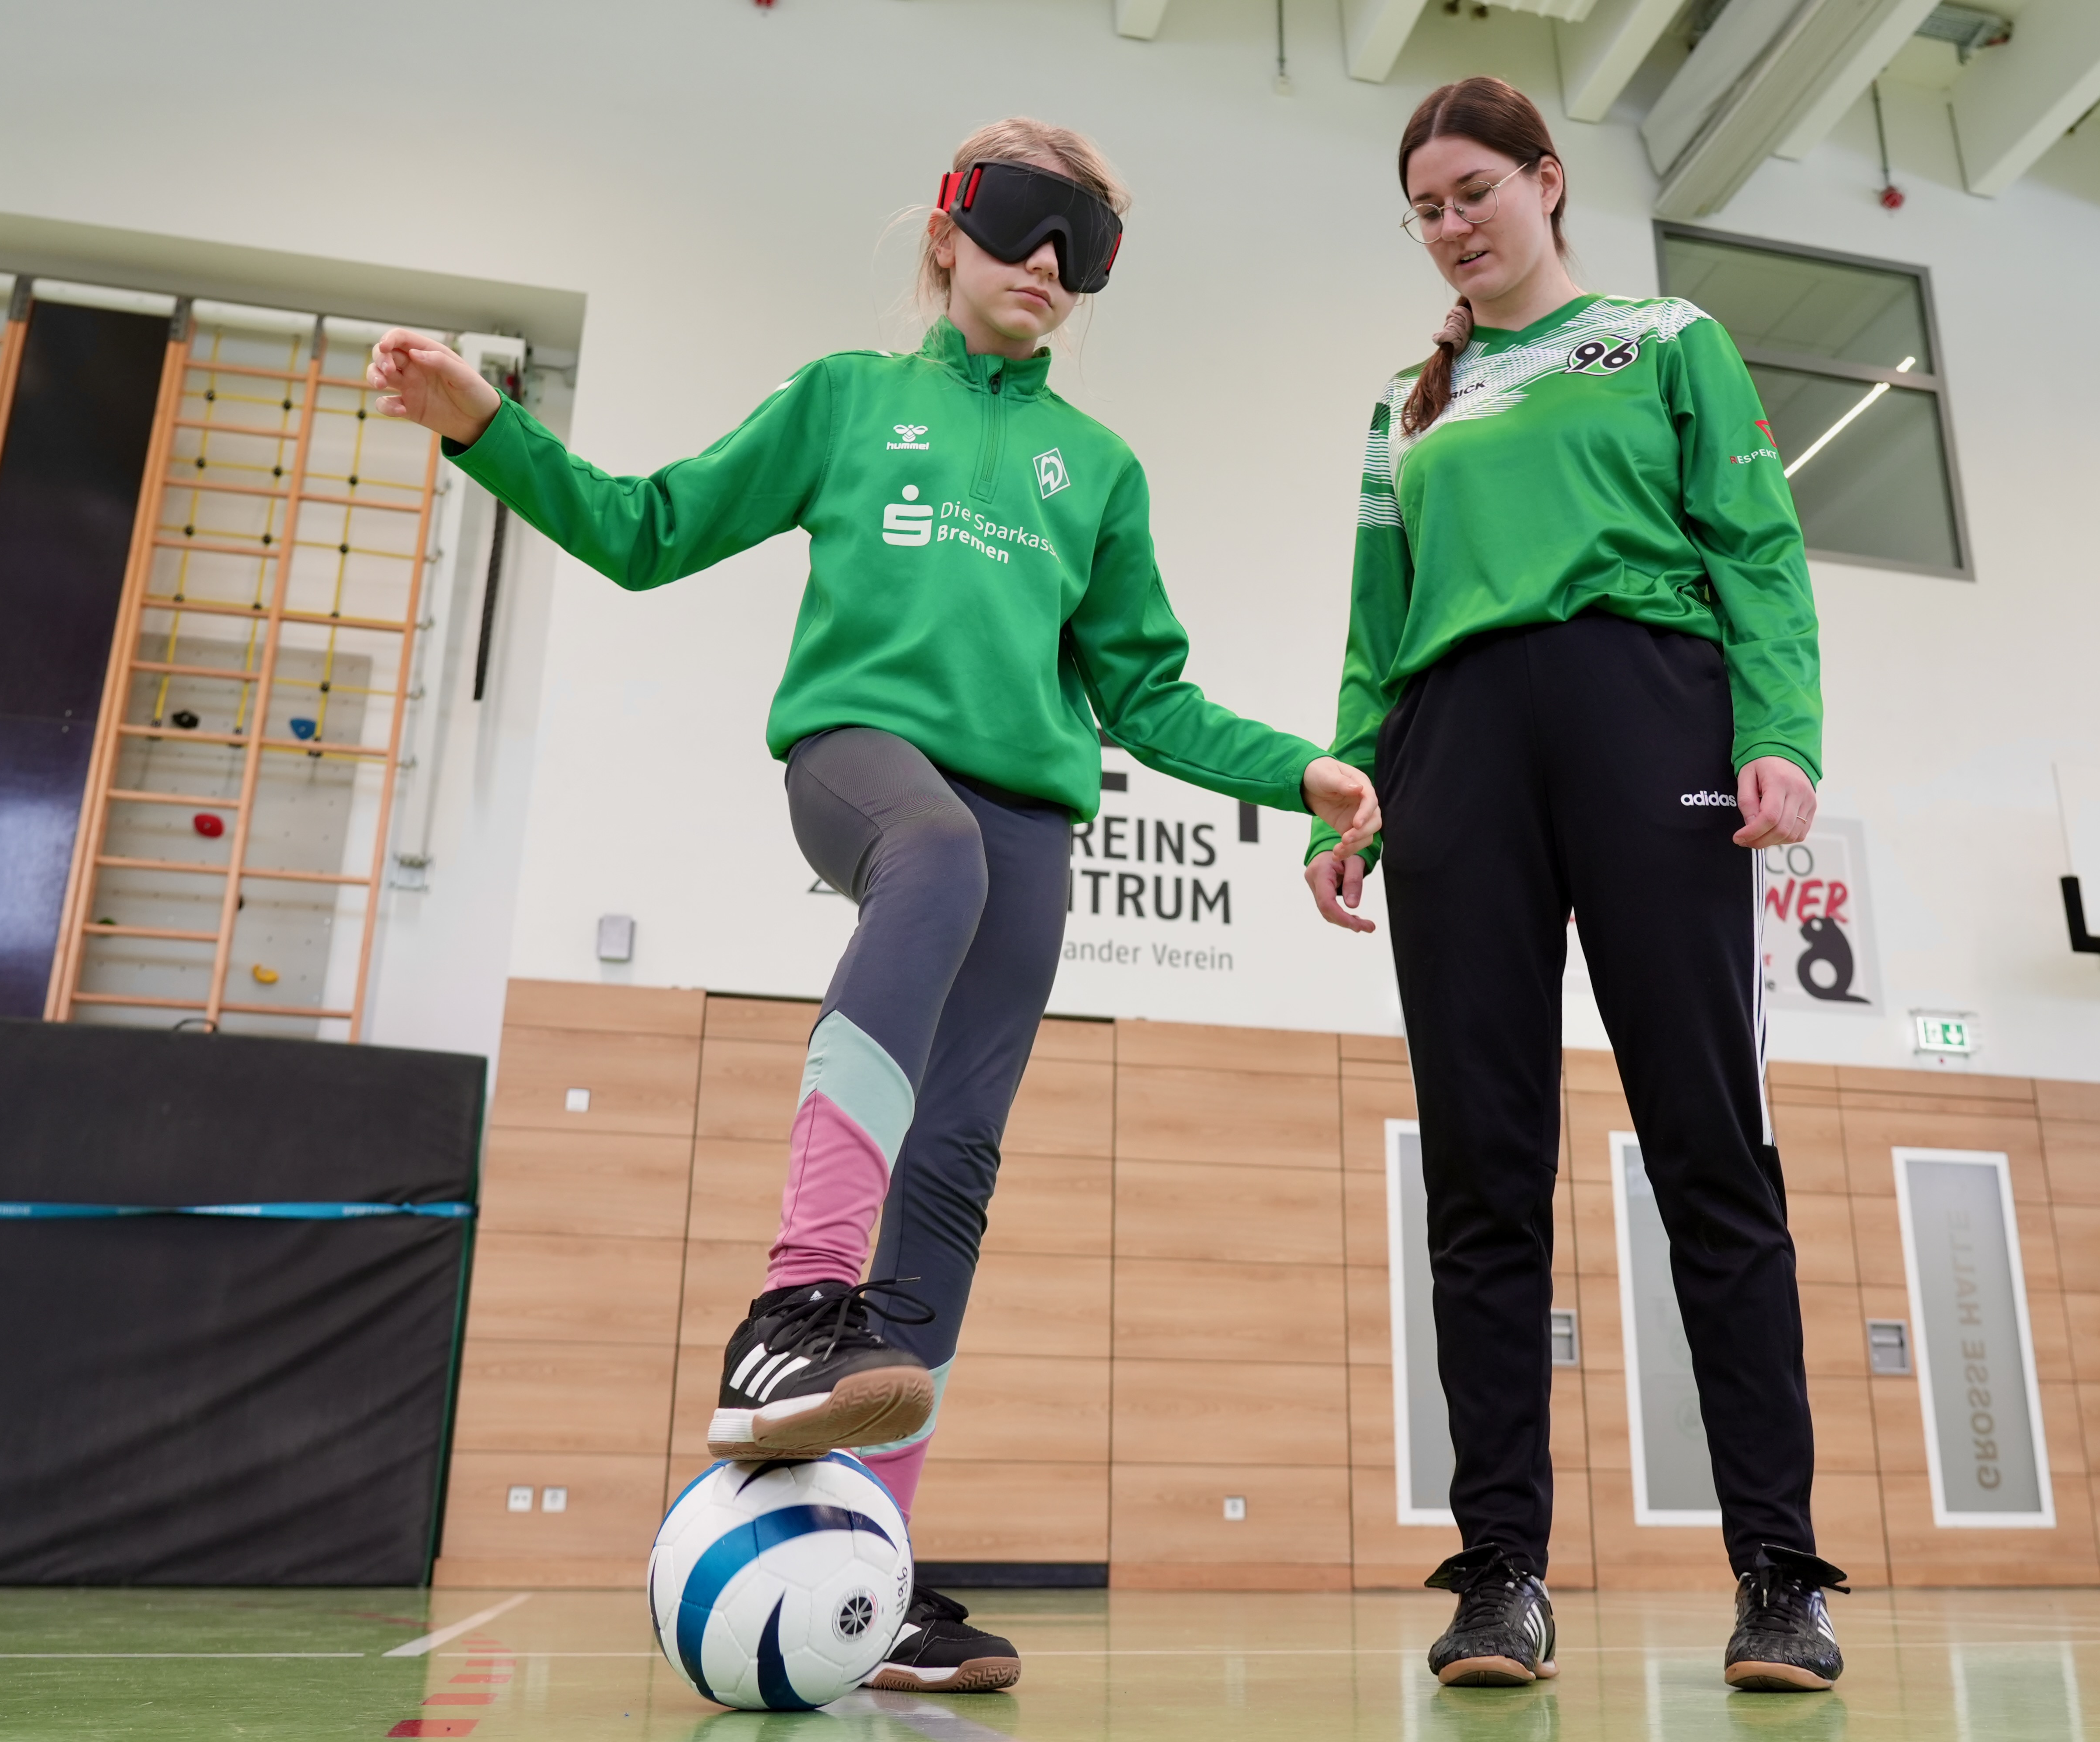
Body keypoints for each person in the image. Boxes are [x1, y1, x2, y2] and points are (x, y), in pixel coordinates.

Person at [371, 118, 1378, 1694]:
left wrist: (1299, 770)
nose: (1048, 265)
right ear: (944, 234)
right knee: (932, 855)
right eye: (1024, 224)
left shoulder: (1097, 470)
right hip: (866, 759)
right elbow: (643, 532)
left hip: (1035, 816)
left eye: (1086, 246)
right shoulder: (848, 401)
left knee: (961, 1163)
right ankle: (794, 1303)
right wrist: (483, 424)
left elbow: (1149, 696)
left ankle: (872, 1558)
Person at [1302, 78, 1843, 1693]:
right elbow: (1371, 616)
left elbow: (1755, 543)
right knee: (1480, 1163)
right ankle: (1501, 1573)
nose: (1453, 225)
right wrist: (1348, 780)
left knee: (1707, 1142)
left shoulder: (1669, 338)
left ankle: (1777, 1572)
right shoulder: (1404, 403)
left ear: (1547, 184)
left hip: (1646, 713)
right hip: (1451, 746)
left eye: (1475, 191)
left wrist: (1783, 730)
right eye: (1427, 208)